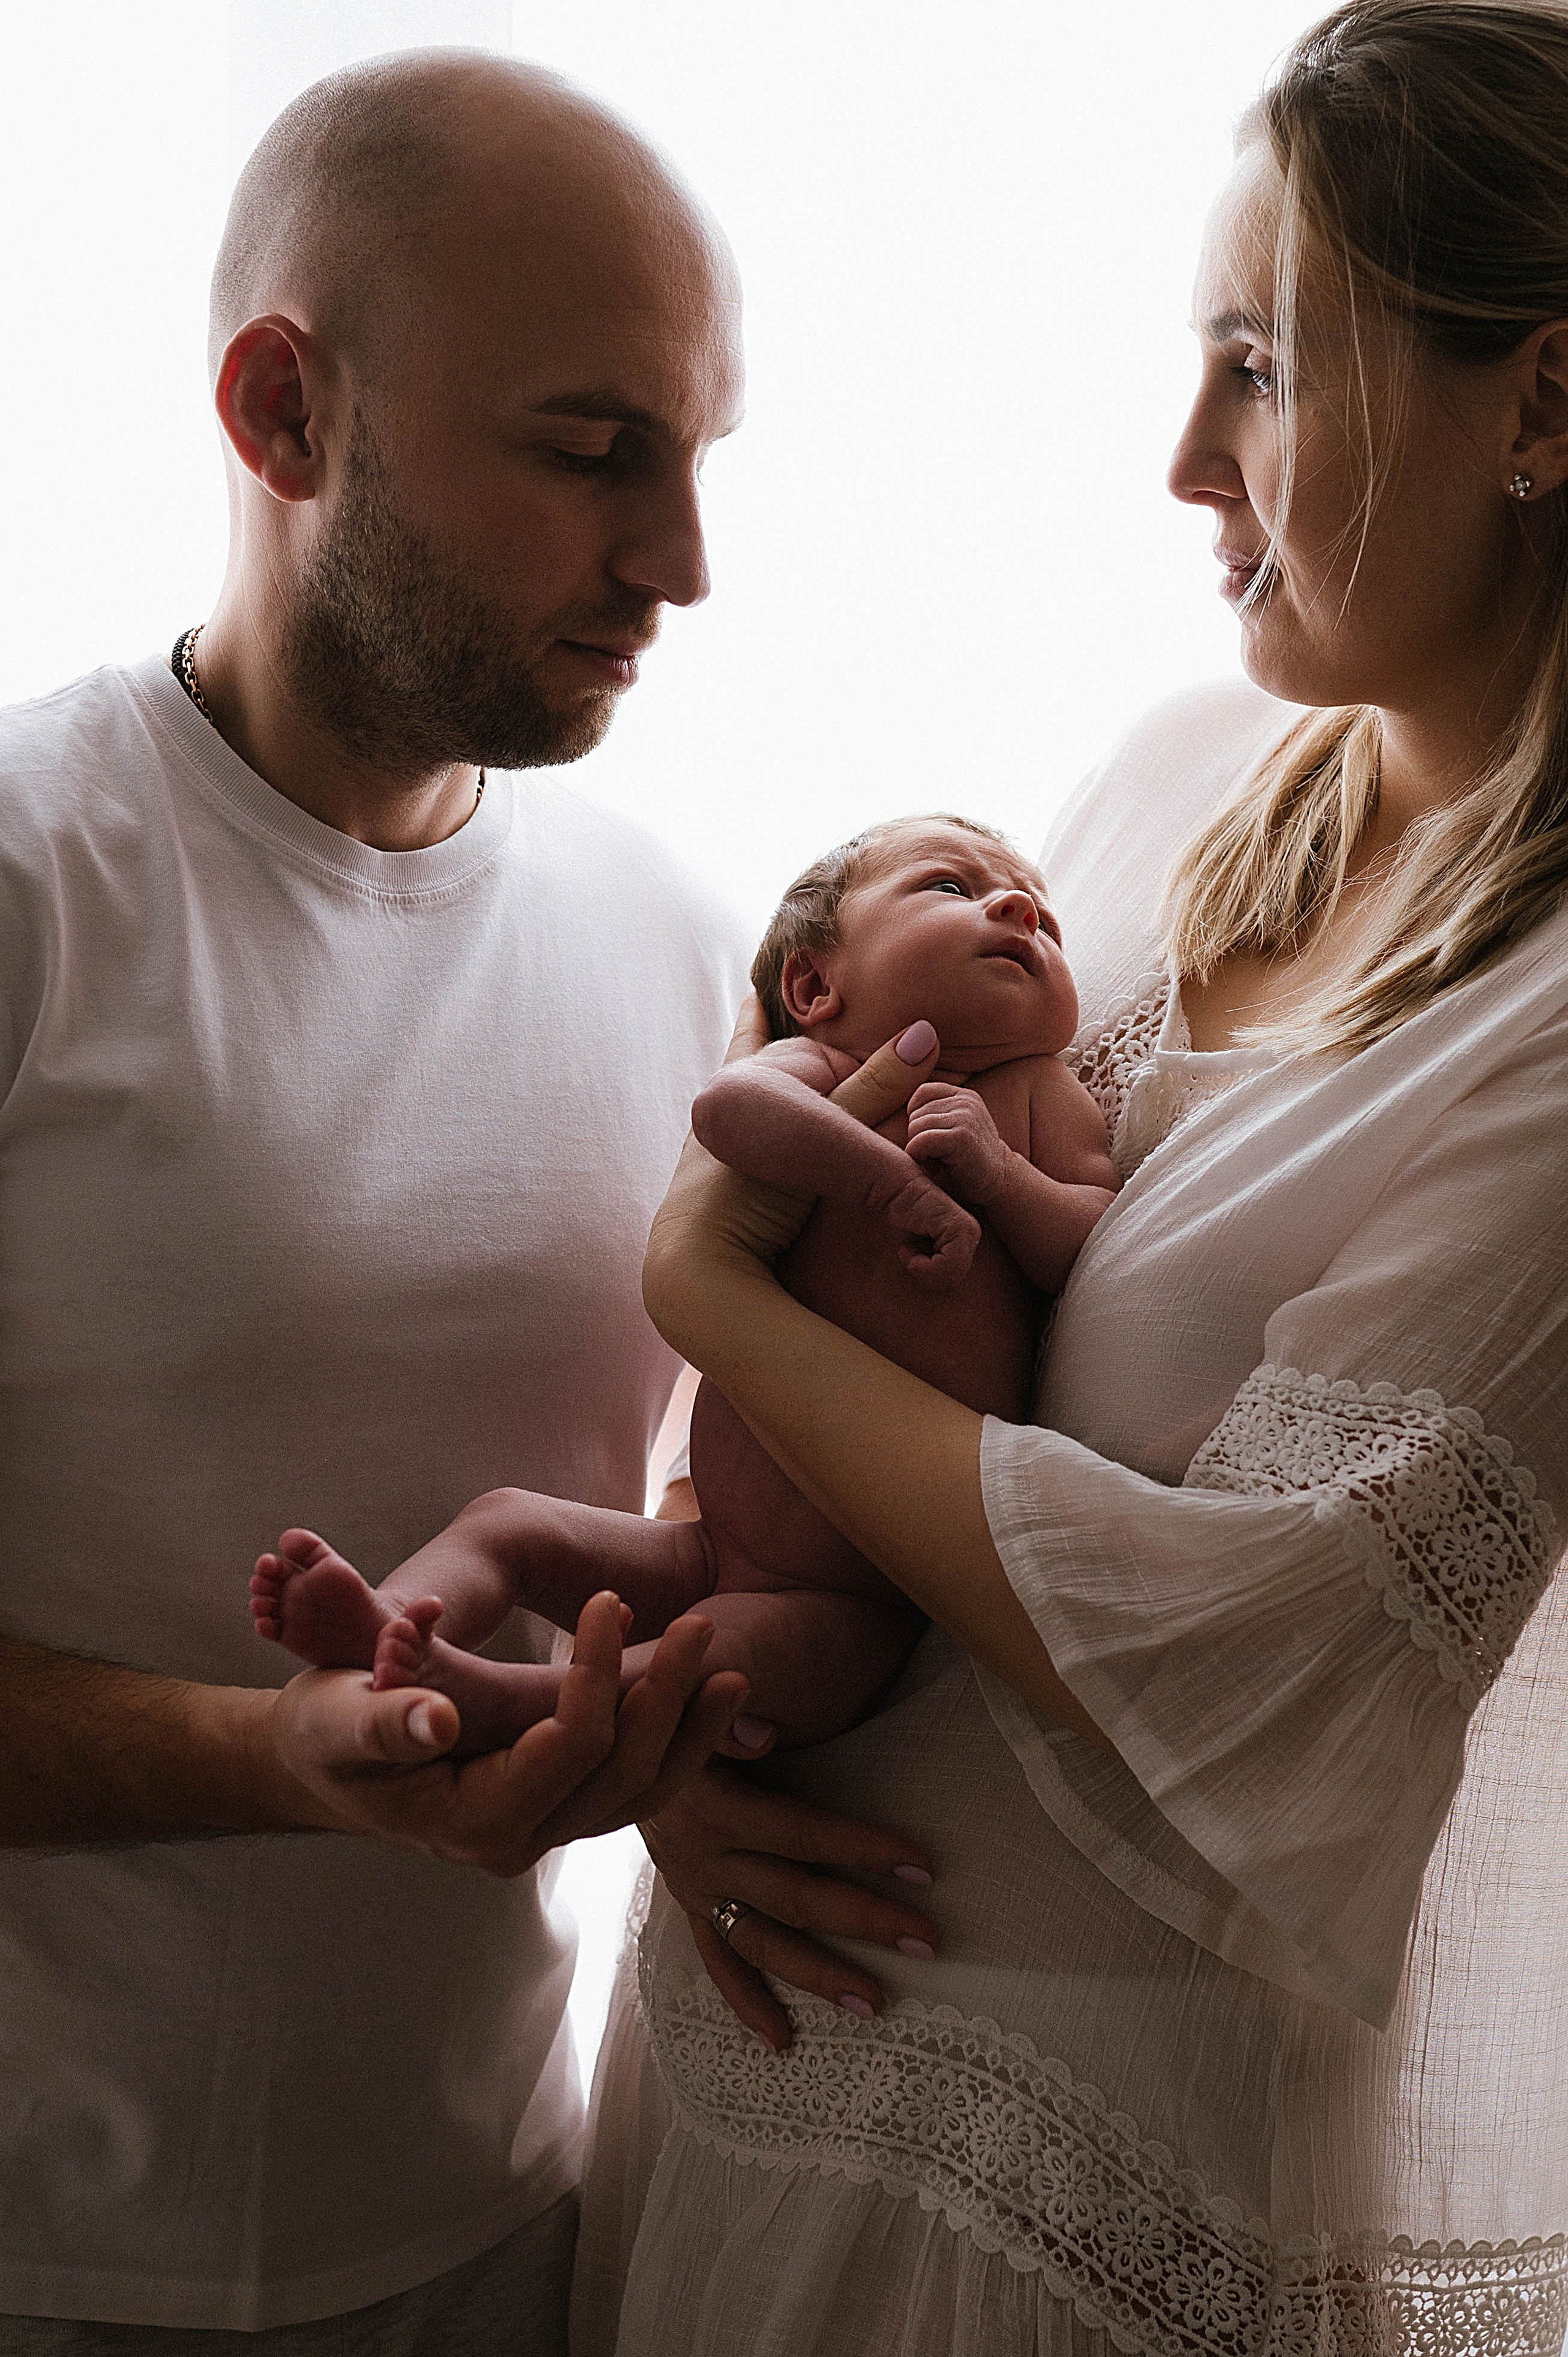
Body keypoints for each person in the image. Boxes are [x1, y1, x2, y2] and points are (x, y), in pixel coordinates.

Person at [571, 5, 1568, 2351]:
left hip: (1056, 2219)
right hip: (737, 2057)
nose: (1183, 460)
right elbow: (820, 1175)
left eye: (1262, 364)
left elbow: (1279, 1655)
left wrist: (721, 1311)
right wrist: (677, 1744)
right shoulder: (1169, 773)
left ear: (1539, 404)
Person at [0, 47, 945, 2356]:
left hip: (518, 2235)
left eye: (700, 460)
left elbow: (682, 1528)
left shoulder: (673, 949)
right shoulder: (32, 888)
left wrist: (667, 1749)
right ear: (282, 409)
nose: (682, 566)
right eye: (595, 449)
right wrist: (271, 1762)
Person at [246, 816, 1117, 1755]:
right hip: (709, 1539)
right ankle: (387, 1622)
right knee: (510, 1523)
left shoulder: (1038, 1092)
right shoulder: (826, 1070)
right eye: (950, 888)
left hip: (860, 1593)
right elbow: (731, 1110)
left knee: (709, 1650)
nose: (1018, 909)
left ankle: (502, 1700)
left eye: (1046, 920)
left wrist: (999, 1176)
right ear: (816, 985)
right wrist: (889, 1179)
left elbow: (1093, 1241)